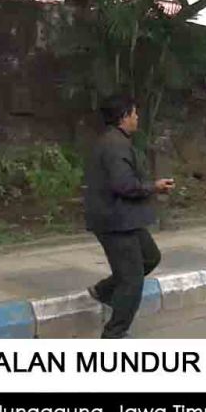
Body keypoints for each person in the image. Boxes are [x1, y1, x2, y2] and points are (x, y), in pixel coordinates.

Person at [83, 96, 175, 338]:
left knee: (150, 257)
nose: (137, 118)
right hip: (115, 221)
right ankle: (114, 333)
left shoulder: (115, 141)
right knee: (132, 280)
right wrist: (154, 187)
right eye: (134, 114)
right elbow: (123, 185)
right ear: (123, 117)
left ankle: (104, 291)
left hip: (125, 218)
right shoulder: (115, 146)